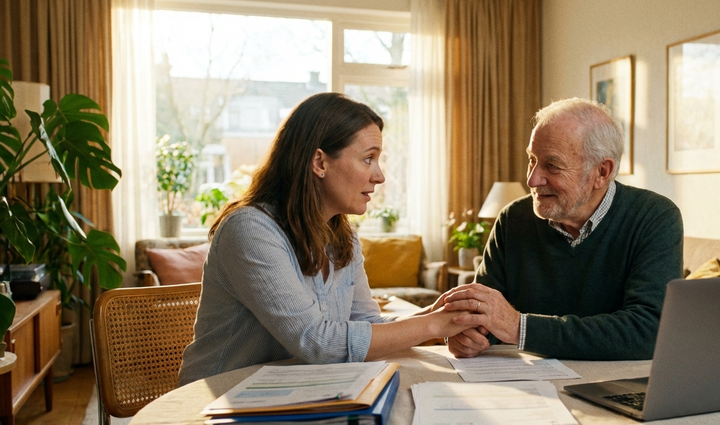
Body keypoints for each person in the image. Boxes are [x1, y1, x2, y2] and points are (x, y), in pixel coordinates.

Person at [178, 93, 476, 386]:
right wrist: (433, 324)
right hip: (217, 402)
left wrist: (441, 315)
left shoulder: (342, 235)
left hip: (293, 396)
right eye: (368, 159)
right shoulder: (250, 229)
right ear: (319, 162)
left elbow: (367, 327)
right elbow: (316, 341)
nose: (380, 176)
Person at [443, 97, 683, 360]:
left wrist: (519, 328)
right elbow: (481, 317)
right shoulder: (513, 219)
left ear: (602, 172)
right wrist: (467, 334)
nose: (532, 179)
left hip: (610, 386)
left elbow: (647, 331)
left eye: (552, 165)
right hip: (525, 385)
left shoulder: (654, 218)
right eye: (531, 160)